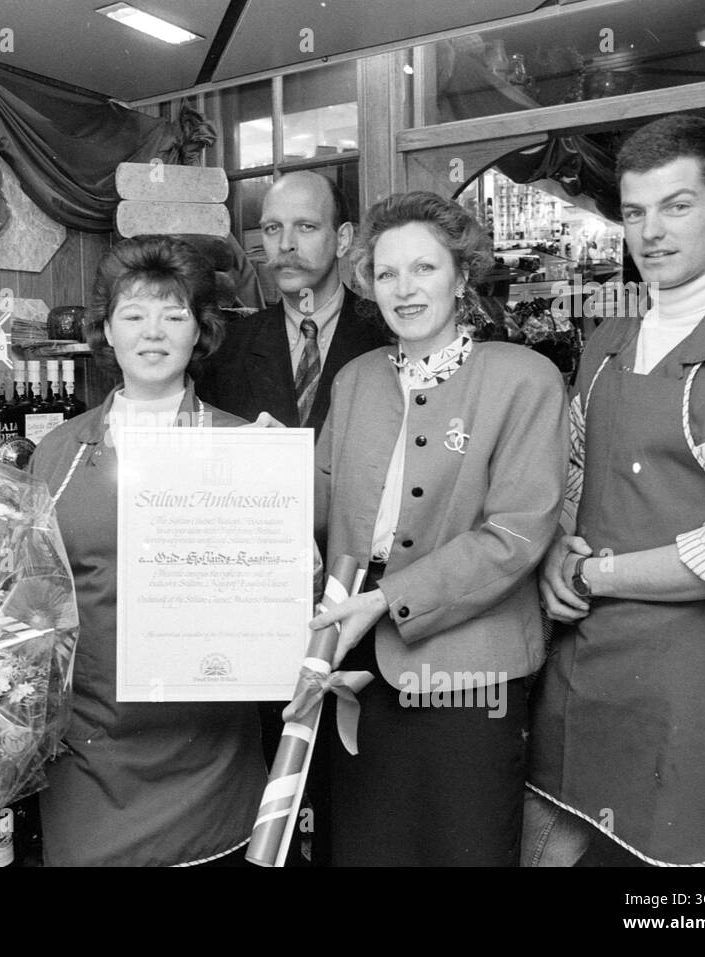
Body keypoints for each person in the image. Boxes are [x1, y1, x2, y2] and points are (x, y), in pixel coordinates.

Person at [526, 114, 705, 867]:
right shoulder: (608, 343)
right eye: (634, 211)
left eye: (677, 205)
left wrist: (590, 572)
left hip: (693, 678)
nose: (650, 231)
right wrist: (555, 548)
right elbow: (575, 473)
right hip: (583, 665)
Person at [310, 191, 568, 866]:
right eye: (387, 272)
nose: (404, 288)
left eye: (423, 268)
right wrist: (247, 473)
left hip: (470, 673)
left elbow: (515, 534)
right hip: (355, 658)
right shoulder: (355, 378)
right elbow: (319, 502)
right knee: (367, 849)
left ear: (461, 276)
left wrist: (387, 600)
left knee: (466, 849)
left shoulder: (525, 379)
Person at [29, 235, 266, 867]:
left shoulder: (245, 446)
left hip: (208, 751)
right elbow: (31, 594)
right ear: (106, 332)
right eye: (133, 315)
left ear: (200, 332)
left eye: (174, 314)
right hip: (89, 750)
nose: (152, 333)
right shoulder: (59, 452)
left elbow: (275, 592)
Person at [196, 170, 389, 436]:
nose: (286, 244)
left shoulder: (390, 334)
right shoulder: (225, 350)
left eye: (306, 227)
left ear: (342, 239)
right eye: (272, 228)